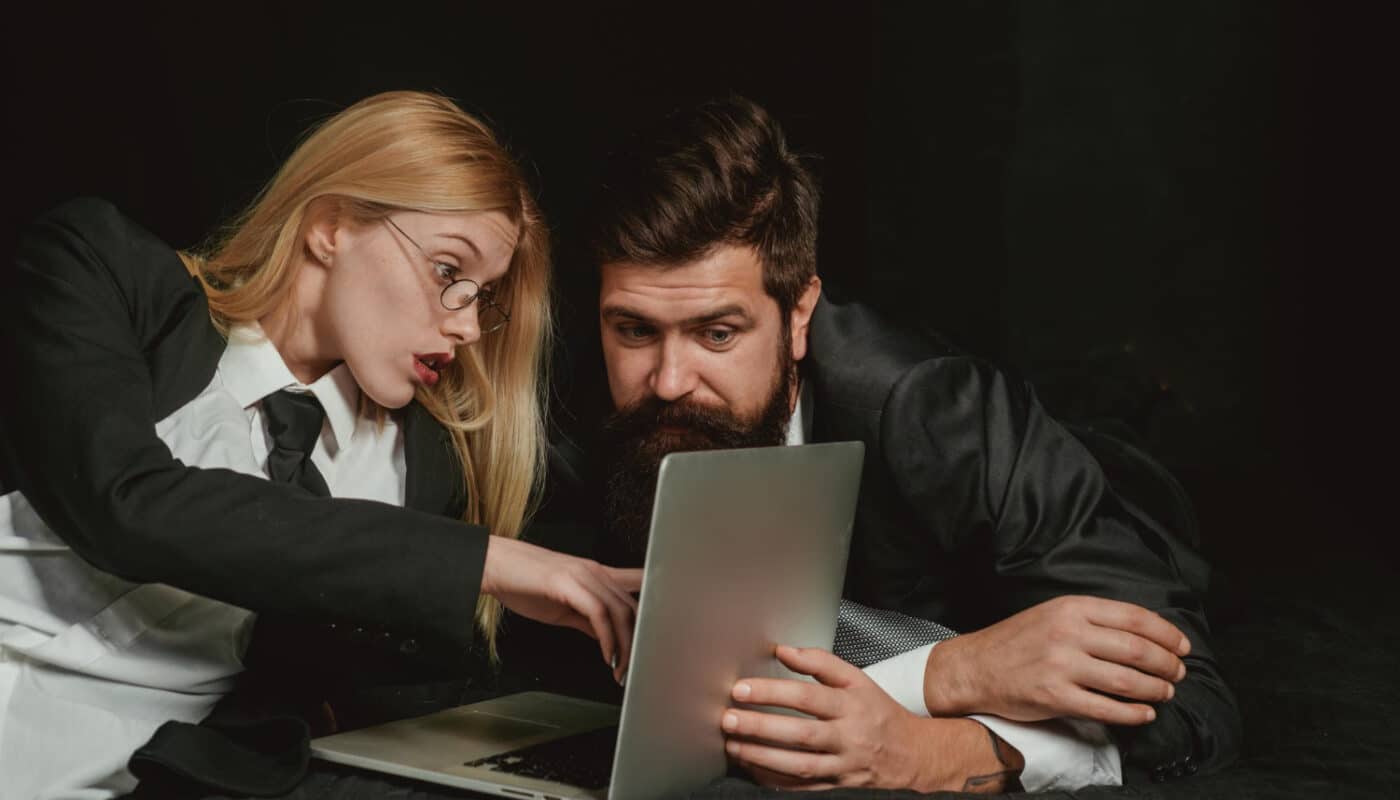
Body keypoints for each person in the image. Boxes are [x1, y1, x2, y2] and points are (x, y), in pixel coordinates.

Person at [534, 95, 1240, 793]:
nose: (668, 382)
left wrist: (937, 752)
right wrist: (950, 676)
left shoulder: (944, 417)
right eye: (633, 330)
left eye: (718, 334)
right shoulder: (584, 421)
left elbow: (1194, 707)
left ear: (800, 313)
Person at [0, 91, 641, 799]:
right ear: (331, 226)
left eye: (482, 296)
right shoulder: (99, 270)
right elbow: (128, 504)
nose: (466, 326)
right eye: (447, 272)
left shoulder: (427, 467)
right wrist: (487, 562)